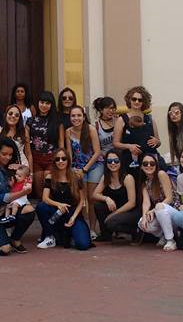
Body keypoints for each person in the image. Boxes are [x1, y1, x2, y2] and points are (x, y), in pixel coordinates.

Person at [35, 149, 92, 250]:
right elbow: (45, 198)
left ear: (68, 160)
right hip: (57, 213)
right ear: (54, 162)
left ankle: (69, 234)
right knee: (41, 207)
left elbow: (81, 201)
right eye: (57, 159)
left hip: (73, 214)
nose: (60, 161)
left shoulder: (76, 177)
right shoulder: (50, 176)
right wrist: (58, 204)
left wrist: (73, 217)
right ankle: (50, 237)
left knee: (83, 245)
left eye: (63, 159)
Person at [64, 105, 101, 235]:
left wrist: (85, 169)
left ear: (84, 117)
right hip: (77, 167)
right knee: (81, 199)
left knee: (91, 198)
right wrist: (71, 169)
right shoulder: (68, 131)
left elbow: (97, 152)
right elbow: (69, 154)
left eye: (79, 115)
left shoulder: (91, 129)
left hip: (94, 165)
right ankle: (84, 228)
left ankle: (92, 229)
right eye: (73, 116)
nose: (76, 118)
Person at [91, 149, 137, 242]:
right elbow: (95, 194)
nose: (113, 163)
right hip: (114, 209)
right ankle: (106, 234)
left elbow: (132, 203)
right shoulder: (106, 177)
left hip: (128, 211)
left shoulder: (128, 178)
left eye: (116, 161)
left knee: (112, 223)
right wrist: (107, 198)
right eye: (109, 161)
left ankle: (136, 231)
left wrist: (113, 214)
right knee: (98, 205)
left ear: (121, 161)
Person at [137, 152, 179, 251]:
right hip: (160, 211)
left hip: (174, 211)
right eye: (145, 164)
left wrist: (153, 210)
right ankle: (165, 234)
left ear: (156, 166)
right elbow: (146, 203)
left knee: (159, 206)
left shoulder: (161, 174)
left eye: (152, 163)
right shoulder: (145, 183)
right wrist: (144, 217)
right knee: (141, 223)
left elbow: (169, 198)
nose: (149, 166)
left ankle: (170, 240)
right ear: (141, 167)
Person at [113, 86, 161, 168]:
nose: (137, 102)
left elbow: (158, 142)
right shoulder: (121, 120)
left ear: (144, 102)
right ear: (129, 100)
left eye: (140, 100)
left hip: (150, 161)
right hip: (131, 161)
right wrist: (129, 146)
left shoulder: (150, 119)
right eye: (134, 99)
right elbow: (115, 143)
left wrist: (157, 142)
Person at [26, 90, 61, 197]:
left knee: (49, 184)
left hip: (52, 157)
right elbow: (26, 143)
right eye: (42, 102)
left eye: (47, 103)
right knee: (38, 187)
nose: (44, 105)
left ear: (51, 105)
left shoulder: (57, 121)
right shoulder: (30, 121)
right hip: (36, 158)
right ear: (38, 103)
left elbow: (61, 144)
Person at [0, 105, 32, 169]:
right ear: (5, 115)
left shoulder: (24, 132)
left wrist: (31, 172)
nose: (13, 116)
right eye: (10, 113)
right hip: (3, 167)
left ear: (19, 118)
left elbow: (28, 153)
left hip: (22, 167)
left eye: (16, 115)